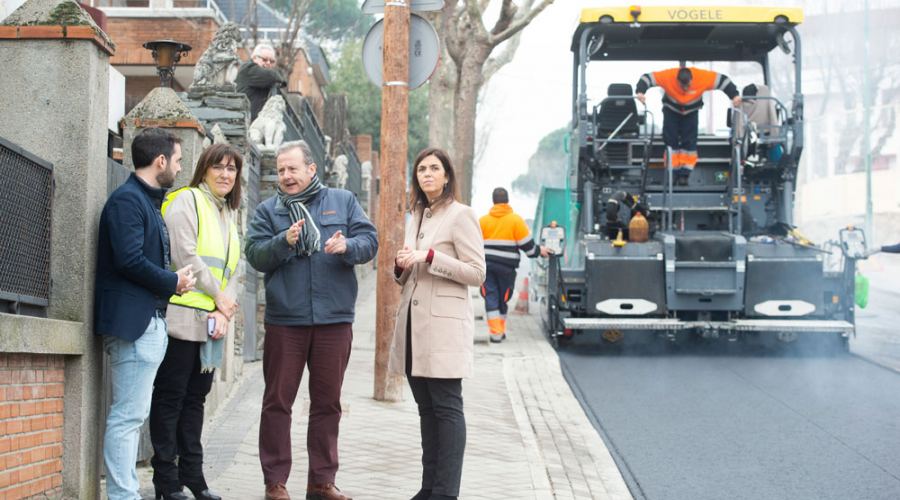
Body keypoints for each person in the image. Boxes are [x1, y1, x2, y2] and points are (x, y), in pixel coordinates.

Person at [245, 140, 378, 500]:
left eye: (293, 168)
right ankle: (275, 482)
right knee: (277, 402)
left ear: (311, 169)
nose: (286, 176)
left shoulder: (343, 201)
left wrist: (348, 247)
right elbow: (255, 254)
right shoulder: (268, 211)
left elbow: (370, 241)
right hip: (285, 322)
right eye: (281, 170)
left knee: (327, 403)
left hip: (334, 320)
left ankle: (321, 482)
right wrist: (283, 241)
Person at [95, 127, 196, 500]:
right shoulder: (128, 200)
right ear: (161, 161)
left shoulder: (144, 201)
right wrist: (173, 281)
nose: (180, 168)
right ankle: (123, 495)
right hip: (134, 324)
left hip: (146, 323)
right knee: (127, 418)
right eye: (178, 160)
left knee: (131, 417)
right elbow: (129, 260)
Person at [388, 147, 487, 500]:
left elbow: (477, 273)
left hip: (444, 329)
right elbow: (408, 274)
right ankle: (429, 488)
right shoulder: (415, 216)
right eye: (421, 169)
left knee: (447, 408)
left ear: (447, 176)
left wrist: (431, 257)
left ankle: (446, 492)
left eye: (434, 168)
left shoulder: (462, 215)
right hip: (414, 327)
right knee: (426, 411)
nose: (427, 174)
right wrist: (401, 266)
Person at [149, 143, 244, 500]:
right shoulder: (186, 200)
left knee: (195, 402)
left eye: (231, 169)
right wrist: (219, 298)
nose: (225, 174)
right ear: (203, 169)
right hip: (182, 318)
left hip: (211, 324)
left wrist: (223, 310)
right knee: (170, 399)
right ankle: (166, 479)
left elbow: (233, 268)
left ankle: (193, 475)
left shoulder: (227, 212)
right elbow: (184, 254)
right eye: (218, 167)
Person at [635, 66, 741, 185]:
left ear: (692, 80)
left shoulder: (702, 77)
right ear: (677, 80)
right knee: (670, 141)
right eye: (682, 86)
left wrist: (735, 95)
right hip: (671, 111)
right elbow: (647, 78)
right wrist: (640, 92)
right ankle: (672, 174)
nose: (685, 89)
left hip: (691, 112)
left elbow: (723, 81)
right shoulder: (668, 76)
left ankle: (684, 175)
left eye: (688, 85)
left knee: (689, 142)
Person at [479, 187, 552, 343]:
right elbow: (529, 247)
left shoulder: (483, 221)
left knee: (490, 296)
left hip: (486, 268)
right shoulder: (515, 220)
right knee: (503, 298)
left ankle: (496, 332)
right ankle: (498, 331)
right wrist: (540, 251)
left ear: (493, 201)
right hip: (507, 269)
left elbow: (473, 245)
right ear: (507, 201)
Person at [235, 43, 287, 122]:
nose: (268, 63)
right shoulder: (248, 68)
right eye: (265, 59)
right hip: (242, 123)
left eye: (271, 61)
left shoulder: (264, 80)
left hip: (254, 123)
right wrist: (280, 80)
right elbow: (272, 76)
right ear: (254, 58)